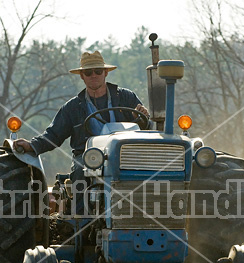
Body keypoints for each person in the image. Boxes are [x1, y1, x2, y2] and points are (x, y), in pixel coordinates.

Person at [14, 50, 149, 214]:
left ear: (105, 73)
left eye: (98, 71)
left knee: (147, 170)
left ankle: (147, 213)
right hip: (88, 156)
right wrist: (32, 145)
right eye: (88, 72)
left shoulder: (127, 98)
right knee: (80, 171)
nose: (94, 75)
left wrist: (142, 118)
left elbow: (145, 129)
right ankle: (81, 221)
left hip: (124, 154)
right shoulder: (72, 107)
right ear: (82, 76)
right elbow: (54, 135)